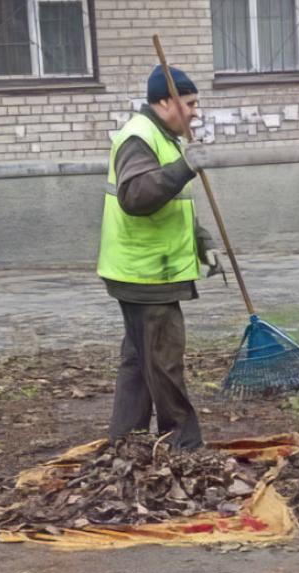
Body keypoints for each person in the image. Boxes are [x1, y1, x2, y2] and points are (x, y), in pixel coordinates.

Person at [97, 65, 222, 450]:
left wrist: (203, 241)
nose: (196, 112)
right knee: (164, 363)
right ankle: (183, 445)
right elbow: (137, 197)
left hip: (140, 271)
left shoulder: (165, 137)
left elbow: (173, 203)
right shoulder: (141, 137)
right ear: (165, 101)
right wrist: (185, 167)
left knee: (139, 362)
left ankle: (126, 443)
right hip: (148, 274)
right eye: (190, 103)